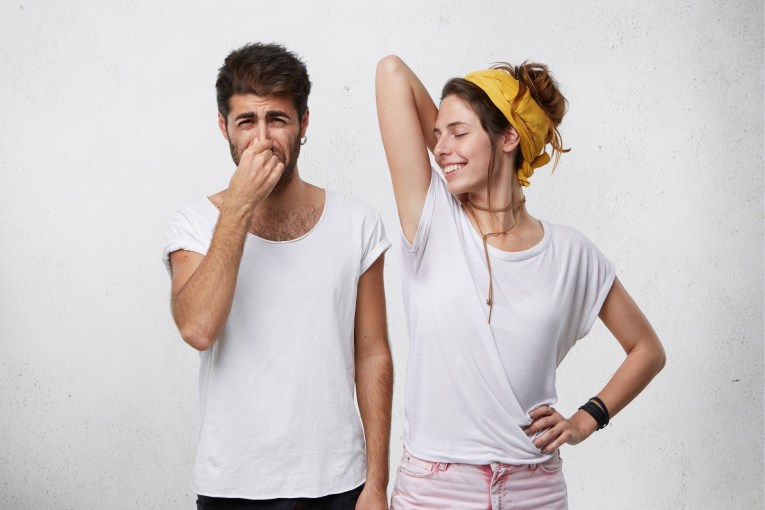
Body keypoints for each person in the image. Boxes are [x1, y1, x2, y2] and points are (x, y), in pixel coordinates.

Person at [375, 55, 666, 509]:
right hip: (436, 488)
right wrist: (465, 133)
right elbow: (391, 72)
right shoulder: (433, 217)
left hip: (534, 489)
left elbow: (647, 350)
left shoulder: (570, 253)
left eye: (458, 133)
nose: (440, 148)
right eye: (437, 134)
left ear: (509, 136)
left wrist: (586, 420)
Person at [163, 42, 393, 510]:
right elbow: (198, 328)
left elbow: (372, 354)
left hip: (339, 484)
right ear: (224, 126)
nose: (263, 139)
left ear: (304, 124)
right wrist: (239, 205)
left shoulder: (359, 223)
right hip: (234, 487)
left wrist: (376, 484)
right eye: (247, 121)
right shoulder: (194, 224)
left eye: (278, 120)